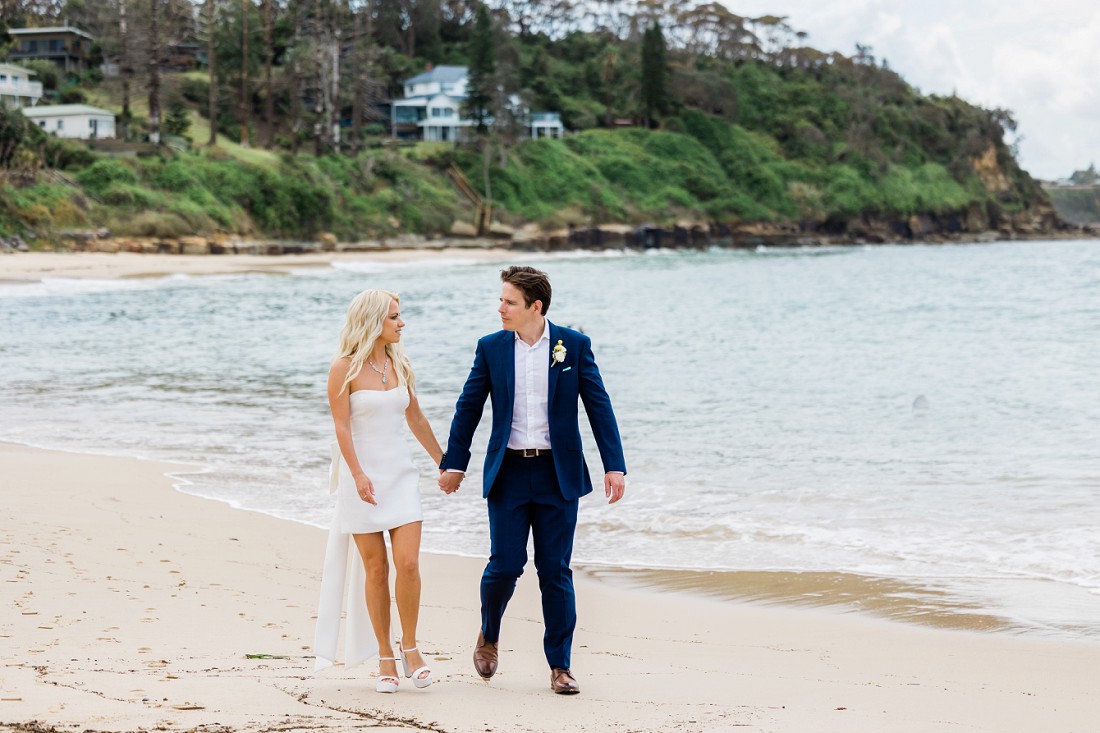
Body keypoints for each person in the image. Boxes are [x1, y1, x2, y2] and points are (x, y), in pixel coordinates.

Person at [438, 266, 626, 695]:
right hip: (507, 473)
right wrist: (455, 463)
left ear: (534, 307)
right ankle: (489, 634)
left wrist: (614, 464)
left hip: (557, 475)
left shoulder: (572, 347)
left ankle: (560, 666)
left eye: (509, 301)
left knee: (554, 571)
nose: (500, 307)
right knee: (504, 565)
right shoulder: (491, 348)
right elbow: (469, 408)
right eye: (501, 299)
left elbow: (599, 405)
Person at [314, 289, 443, 694]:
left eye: (400, 316)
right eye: (394, 317)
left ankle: (411, 646)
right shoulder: (344, 368)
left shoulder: (399, 363)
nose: (401, 323)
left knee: (407, 565)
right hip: (362, 479)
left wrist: (446, 462)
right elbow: (340, 427)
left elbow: (416, 419)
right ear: (373, 320)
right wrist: (357, 474)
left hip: (401, 475)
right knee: (375, 568)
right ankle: (385, 656)